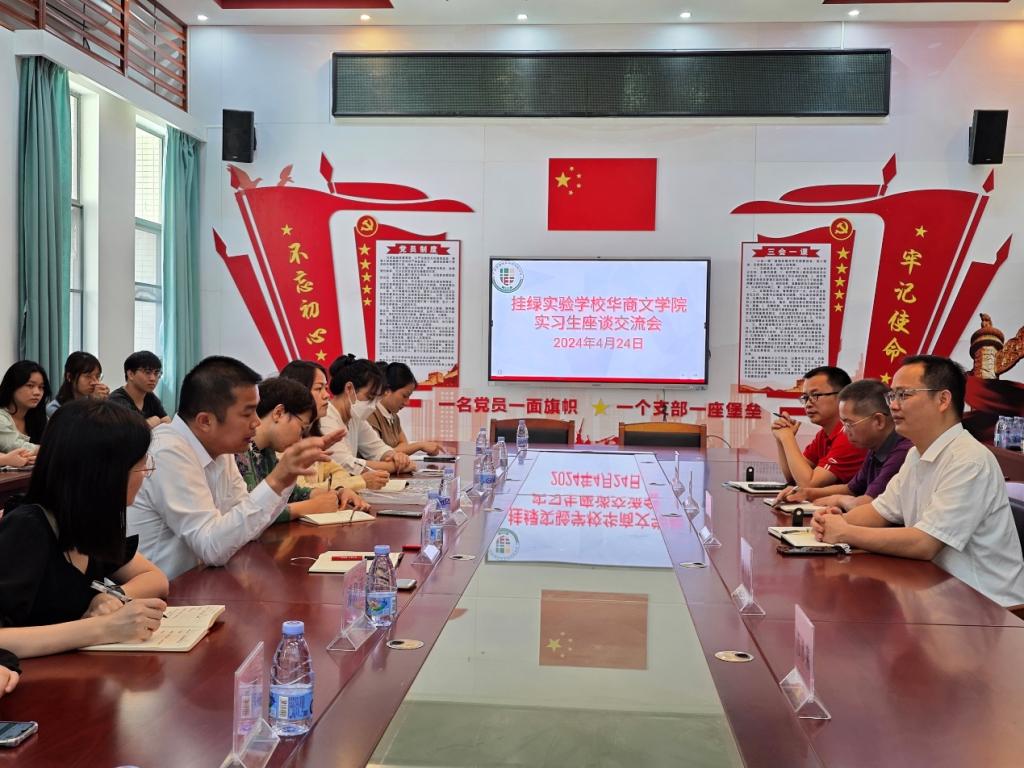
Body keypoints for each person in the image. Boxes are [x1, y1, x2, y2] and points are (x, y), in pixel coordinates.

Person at [812, 355, 1024, 608]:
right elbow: (878, 512)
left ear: (943, 400)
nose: (893, 406)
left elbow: (925, 543)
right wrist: (832, 521)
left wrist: (845, 532)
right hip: (936, 592)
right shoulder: (916, 454)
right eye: (892, 396)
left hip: (986, 607)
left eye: (904, 395)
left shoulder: (969, 460)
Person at [127, 356, 343, 579]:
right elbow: (211, 548)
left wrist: (287, 478)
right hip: (162, 592)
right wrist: (277, 480)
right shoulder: (168, 451)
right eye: (248, 413)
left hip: (201, 582)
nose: (257, 422)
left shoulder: (220, 448)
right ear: (205, 421)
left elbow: (250, 529)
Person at [0, 399, 169, 658]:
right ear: (105, 474)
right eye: (140, 466)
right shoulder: (29, 527)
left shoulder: (89, 521)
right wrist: (103, 628)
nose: (144, 475)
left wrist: (111, 597)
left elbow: (155, 578)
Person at [236, 376, 368, 522]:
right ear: (279, 413)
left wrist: (337, 493)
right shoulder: (239, 451)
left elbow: (291, 494)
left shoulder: (266, 450)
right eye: (302, 429)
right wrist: (309, 507)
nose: (300, 439)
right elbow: (249, 513)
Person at [775, 379, 911, 510]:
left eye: (849, 423)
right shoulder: (875, 447)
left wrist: (838, 500)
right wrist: (806, 493)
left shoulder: (903, 452)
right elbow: (851, 489)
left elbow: (868, 504)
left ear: (879, 421)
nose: (845, 431)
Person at [319, 355, 414, 489]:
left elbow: (377, 448)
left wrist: (396, 456)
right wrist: (393, 466)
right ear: (349, 389)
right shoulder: (326, 416)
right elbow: (345, 464)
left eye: (376, 399)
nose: (373, 405)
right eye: (370, 397)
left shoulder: (355, 417)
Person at [279, 359, 367, 493]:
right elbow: (300, 491)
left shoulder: (312, 432)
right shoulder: (282, 439)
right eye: (318, 389)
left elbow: (338, 471)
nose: (326, 395)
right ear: (298, 391)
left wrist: (342, 487)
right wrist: (358, 482)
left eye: (325, 388)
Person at [772, 366, 867, 489]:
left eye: (815, 395)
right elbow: (793, 478)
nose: (808, 404)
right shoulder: (824, 434)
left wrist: (787, 438)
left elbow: (808, 484)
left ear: (841, 397)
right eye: (805, 397)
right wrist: (781, 439)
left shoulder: (850, 435)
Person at [367, 362, 443, 456]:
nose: (407, 402)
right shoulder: (370, 414)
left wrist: (399, 450)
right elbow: (378, 454)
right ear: (387, 390)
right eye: (404, 396)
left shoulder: (393, 416)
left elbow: (404, 444)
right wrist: (419, 445)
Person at [108, 351, 171, 428]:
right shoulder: (116, 401)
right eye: (147, 372)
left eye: (156, 373)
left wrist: (151, 423)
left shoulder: (149, 395)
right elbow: (131, 431)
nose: (153, 378)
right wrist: (152, 422)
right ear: (131, 374)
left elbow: (167, 420)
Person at [0, 360, 50, 453]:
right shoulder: (1, 418)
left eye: (41, 387)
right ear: (12, 386)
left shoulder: (41, 417)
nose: (37, 392)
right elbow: (16, 446)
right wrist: (50, 450)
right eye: (30, 385)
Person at [46, 351, 108, 417]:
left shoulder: (94, 399)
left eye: (97, 376)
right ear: (69, 377)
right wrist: (93, 404)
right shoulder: (55, 408)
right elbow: (77, 422)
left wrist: (104, 403)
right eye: (88, 376)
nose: (95, 382)